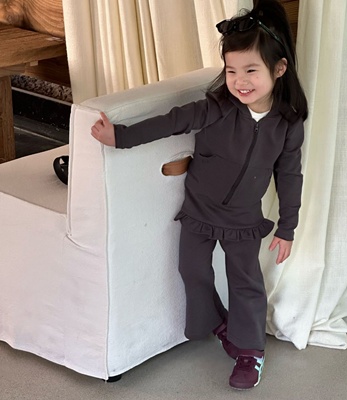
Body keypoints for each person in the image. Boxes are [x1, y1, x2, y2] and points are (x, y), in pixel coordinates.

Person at [91, 0, 307, 390]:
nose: (240, 81)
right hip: (199, 211)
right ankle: (217, 323)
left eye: (251, 71)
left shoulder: (287, 123)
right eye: (231, 71)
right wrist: (119, 137)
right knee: (192, 271)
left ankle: (250, 352)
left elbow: (290, 175)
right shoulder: (216, 109)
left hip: (243, 218)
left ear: (279, 69)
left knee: (245, 282)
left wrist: (287, 227)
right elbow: (171, 121)